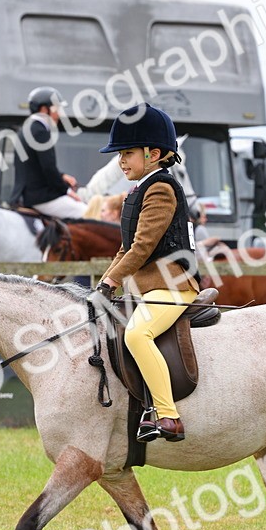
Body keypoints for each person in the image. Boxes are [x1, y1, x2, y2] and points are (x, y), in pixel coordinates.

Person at [96, 103, 199, 442]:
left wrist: (113, 280)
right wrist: (103, 283)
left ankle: (168, 416)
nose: (121, 161)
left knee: (137, 335)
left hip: (173, 286)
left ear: (154, 153)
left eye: (127, 153)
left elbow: (142, 247)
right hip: (150, 287)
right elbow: (125, 249)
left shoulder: (161, 189)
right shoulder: (139, 190)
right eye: (120, 154)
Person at [10, 87, 87, 218]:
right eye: (57, 109)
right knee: (88, 213)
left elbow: (35, 165)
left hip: (26, 194)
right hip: (41, 197)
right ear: (44, 109)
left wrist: (61, 176)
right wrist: (66, 191)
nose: (60, 115)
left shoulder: (26, 128)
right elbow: (48, 168)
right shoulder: (41, 131)